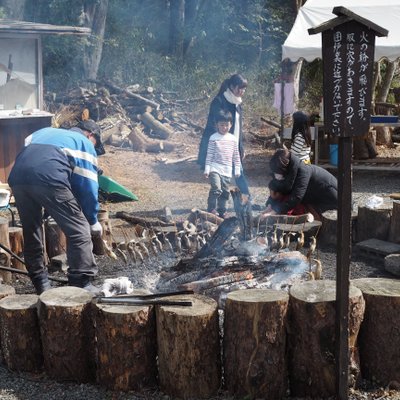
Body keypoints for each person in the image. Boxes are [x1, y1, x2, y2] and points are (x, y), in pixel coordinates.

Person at [8, 119, 105, 295]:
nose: (94, 149)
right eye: (95, 144)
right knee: (79, 230)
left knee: (32, 231)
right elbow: (88, 188)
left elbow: (33, 160)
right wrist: (92, 220)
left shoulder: (43, 132)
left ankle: (42, 285)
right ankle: (81, 284)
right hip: (50, 178)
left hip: (17, 178)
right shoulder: (84, 143)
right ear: (91, 135)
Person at [198, 73, 250, 197]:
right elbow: (213, 126)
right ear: (232, 86)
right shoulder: (219, 101)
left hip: (233, 144)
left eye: (244, 88)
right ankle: (219, 208)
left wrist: (240, 147)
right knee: (221, 177)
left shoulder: (237, 102)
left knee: (238, 172)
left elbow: (238, 127)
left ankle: (247, 200)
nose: (242, 91)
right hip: (219, 146)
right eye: (240, 88)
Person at [264, 148, 337, 218]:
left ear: (284, 168)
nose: (276, 175)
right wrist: (270, 205)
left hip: (330, 199)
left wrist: (275, 211)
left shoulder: (303, 171)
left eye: (277, 172)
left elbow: (296, 197)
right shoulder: (291, 171)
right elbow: (280, 189)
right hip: (315, 197)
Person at [204, 110, 241, 218]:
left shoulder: (233, 139)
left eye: (226, 125)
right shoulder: (213, 138)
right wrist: (207, 169)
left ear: (231, 125)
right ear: (216, 125)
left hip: (227, 170)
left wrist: (237, 169)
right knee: (216, 189)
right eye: (221, 125)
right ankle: (211, 208)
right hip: (214, 168)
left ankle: (222, 210)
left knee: (225, 192)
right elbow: (209, 155)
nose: (224, 127)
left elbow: (236, 156)